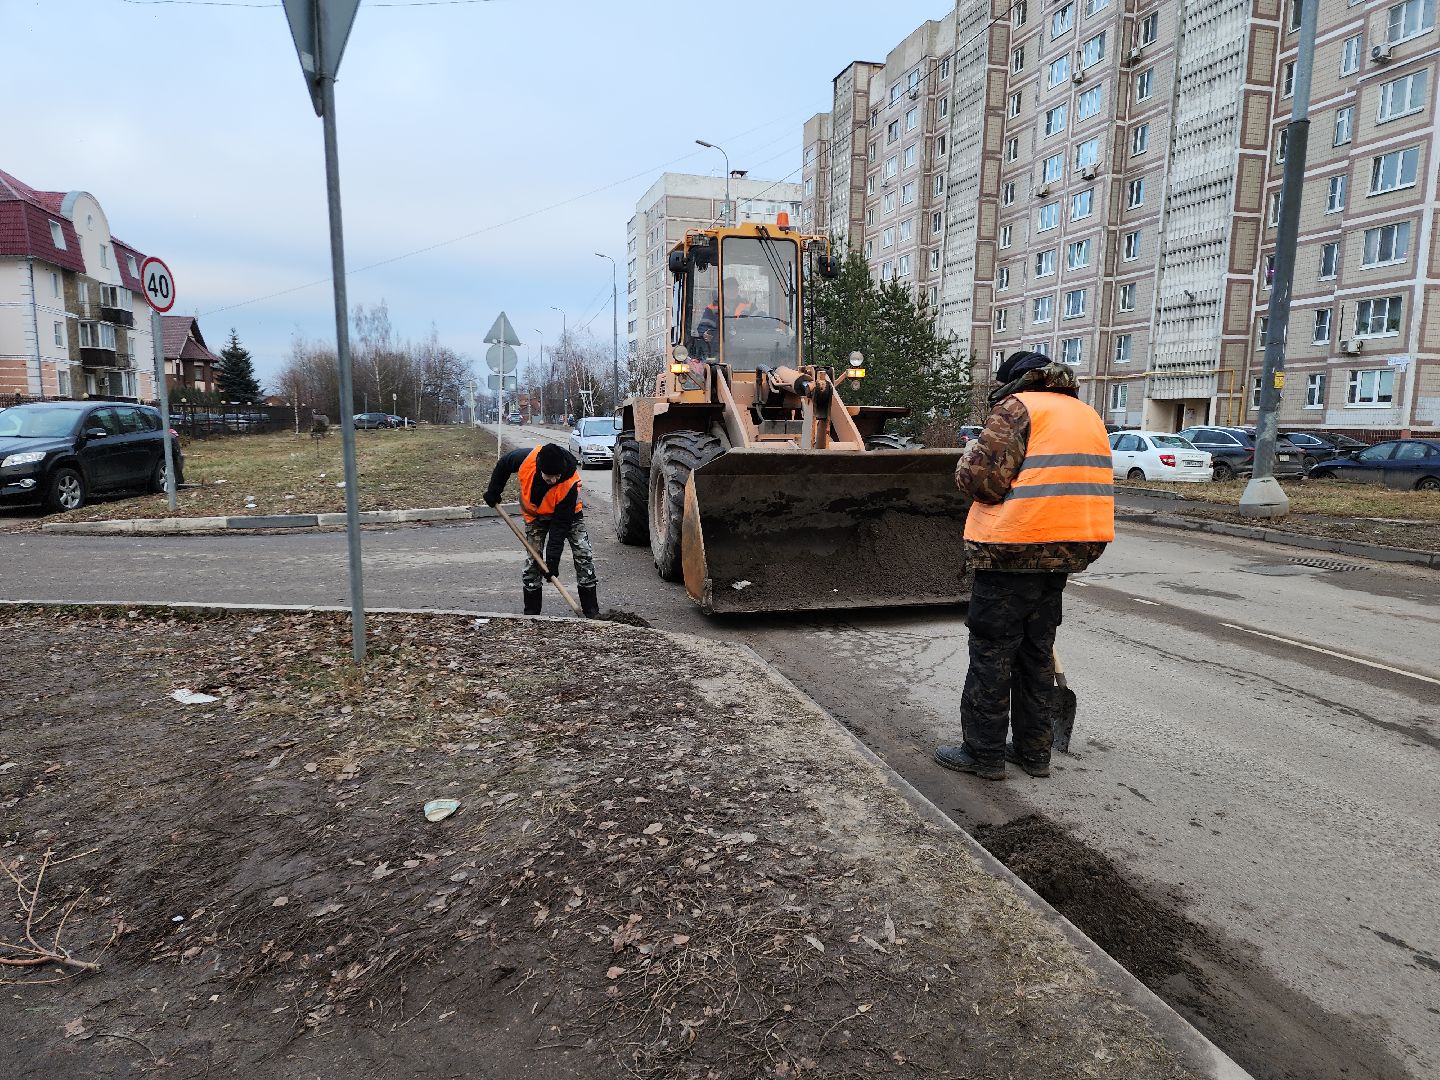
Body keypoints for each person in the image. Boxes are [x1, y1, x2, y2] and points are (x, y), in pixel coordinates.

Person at [934, 351, 1113, 781]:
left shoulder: (1017, 409)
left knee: (993, 653)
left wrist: (965, 461)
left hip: (1014, 549)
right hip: (1067, 551)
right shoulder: (1086, 414)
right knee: (1036, 653)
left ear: (1013, 381)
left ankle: (984, 754)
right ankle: (1034, 752)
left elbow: (983, 482)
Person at [483, 442, 600, 618]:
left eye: (557, 476)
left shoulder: (569, 482)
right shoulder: (526, 459)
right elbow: (503, 465)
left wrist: (552, 561)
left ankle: (591, 611)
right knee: (533, 562)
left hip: (569, 518)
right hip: (536, 518)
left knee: (583, 555)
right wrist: (494, 490)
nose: (553, 481)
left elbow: (559, 528)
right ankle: (532, 613)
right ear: (539, 468)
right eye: (549, 477)